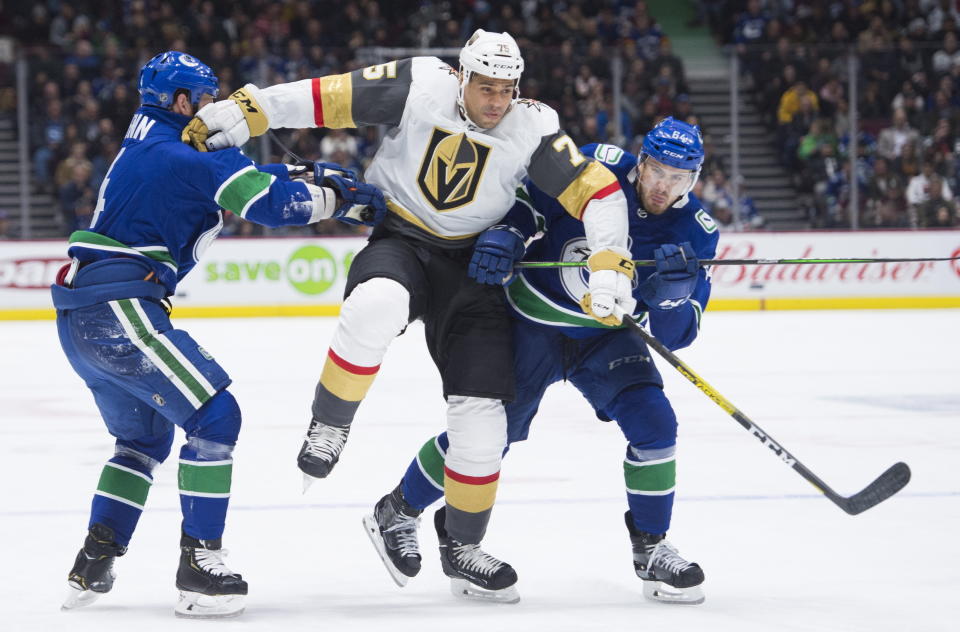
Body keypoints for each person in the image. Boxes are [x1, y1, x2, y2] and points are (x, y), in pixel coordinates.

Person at [183, 29, 632, 599]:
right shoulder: (421, 83)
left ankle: (463, 544)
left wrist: (612, 263)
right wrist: (255, 111)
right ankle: (331, 423)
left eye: (506, 90)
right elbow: (328, 97)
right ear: (462, 78)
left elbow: (601, 193)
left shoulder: (534, 124)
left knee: (484, 424)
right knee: (376, 306)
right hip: (403, 240)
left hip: (474, 267)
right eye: (486, 87)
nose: (496, 101)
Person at [53, 51, 385, 618]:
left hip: (85, 312)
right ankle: (200, 565)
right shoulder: (184, 154)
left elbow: (230, 176)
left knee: (143, 442)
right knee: (216, 416)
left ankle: (95, 559)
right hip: (120, 307)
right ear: (183, 103)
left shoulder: (150, 142)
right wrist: (340, 199)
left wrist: (296, 171)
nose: (212, 112)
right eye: (205, 101)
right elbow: (274, 206)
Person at [365, 118, 717, 605]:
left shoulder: (697, 232)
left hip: (607, 340)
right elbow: (531, 198)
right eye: (657, 171)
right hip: (533, 322)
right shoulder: (596, 165)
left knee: (656, 425)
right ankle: (398, 510)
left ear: (694, 180)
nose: (664, 186)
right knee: (486, 437)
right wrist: (511, 230)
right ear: (642, 160)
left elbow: (677, 338)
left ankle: (652, 548)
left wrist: (674, 300)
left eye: (680, 178)